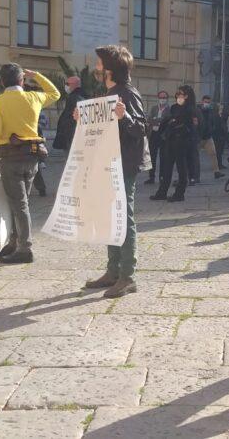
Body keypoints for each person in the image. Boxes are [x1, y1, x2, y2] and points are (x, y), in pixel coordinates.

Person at [81, 45, 151, 298]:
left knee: (124, 218)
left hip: (124, 165)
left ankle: (127, 277)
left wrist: (126, 117)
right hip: (108, 163)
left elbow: (141, 130)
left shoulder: (128, 94)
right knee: (109, 218)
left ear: (109, 69)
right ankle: (113, 271)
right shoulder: (109, 93)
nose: (96, 67)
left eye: (99, 64)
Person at [0, 63, 60, 264]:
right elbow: (55, 93)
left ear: (2, 82)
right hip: (31, 156)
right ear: (22, 80)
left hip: (9, 157)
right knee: (20, 203)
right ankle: (14, 242)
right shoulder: (34, 97)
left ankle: (25, 248)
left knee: (18, 204)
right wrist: (37, 75)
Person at [150, 85, 197, 202]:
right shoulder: (174, 107)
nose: (178, 96)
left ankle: (179, 193)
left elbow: (188, 126)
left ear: (186, 96)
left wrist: (174, 123)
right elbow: (169, 121)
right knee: (167, 167)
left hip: (182, 142)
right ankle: (162, 192)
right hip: (171, 141)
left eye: (181, 94)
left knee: (182, 169)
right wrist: (172, 123)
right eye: (177, 94)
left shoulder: (190, 109)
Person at [196, 95, 225, 180]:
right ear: (202, 102)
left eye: (208, 102)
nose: (207, 104)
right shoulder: (197, 110)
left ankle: (217, 172)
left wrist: (212, 130)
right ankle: (193, 174)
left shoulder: (211, 110)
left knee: (213, 154)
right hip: (198, 137)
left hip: (208, 137)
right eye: (205, 102)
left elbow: (214, 122)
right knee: (194, 157)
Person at [145, 90, 170, 185]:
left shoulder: (169, 109)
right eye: (161, 97)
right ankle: (151, 177)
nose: (162, 99)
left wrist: (156, 120)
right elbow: (149, 120)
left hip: (163, 135)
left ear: (167, 99)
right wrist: (157, 121)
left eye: (164, 97)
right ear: (158, 98)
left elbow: (165, 121)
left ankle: (162, 177)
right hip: (154, 134)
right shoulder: (154, 108)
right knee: (152, 157)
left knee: (163, 157)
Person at [53, 76, 84, 152]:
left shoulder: (74, 98)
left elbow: (70, 118)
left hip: (71, 138)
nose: (65, 86)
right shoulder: (81, 96)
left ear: (74, 85)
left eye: (67, 84)